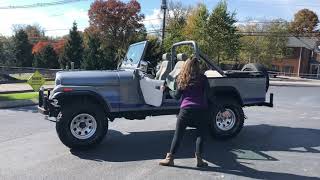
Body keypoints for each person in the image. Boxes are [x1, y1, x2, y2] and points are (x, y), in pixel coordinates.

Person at [159, 57, 210, 167]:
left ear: (186, 66)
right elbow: (209, 96)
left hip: (185, 111)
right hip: (201, 110)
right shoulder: (203, 78)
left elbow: (176, 96)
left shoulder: (182, 78)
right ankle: (199, 160)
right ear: (198, 67)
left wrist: (167, 90)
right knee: (200, 135)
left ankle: (170, 159)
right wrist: (223, 110)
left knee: (178, 135)